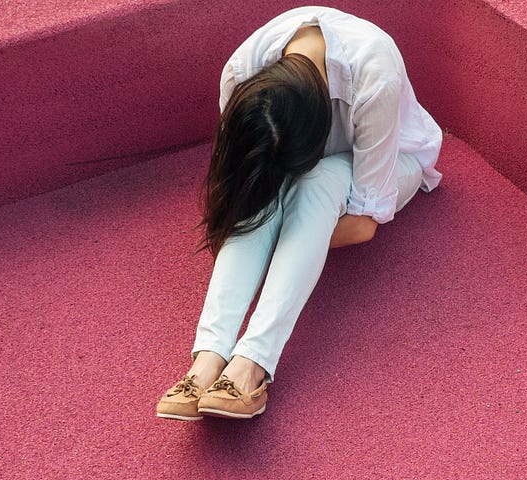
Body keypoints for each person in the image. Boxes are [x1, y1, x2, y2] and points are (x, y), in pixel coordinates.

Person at [156, 6, 444, 421]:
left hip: (395, 163)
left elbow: (363, 225)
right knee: (257, 202)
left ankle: (251, 362)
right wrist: (262, 216)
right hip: (315, 168)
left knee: (319, 179)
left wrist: (282, 236)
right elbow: (241, 183)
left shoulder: (373, 74)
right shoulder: (243, 74)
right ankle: (207, 360)